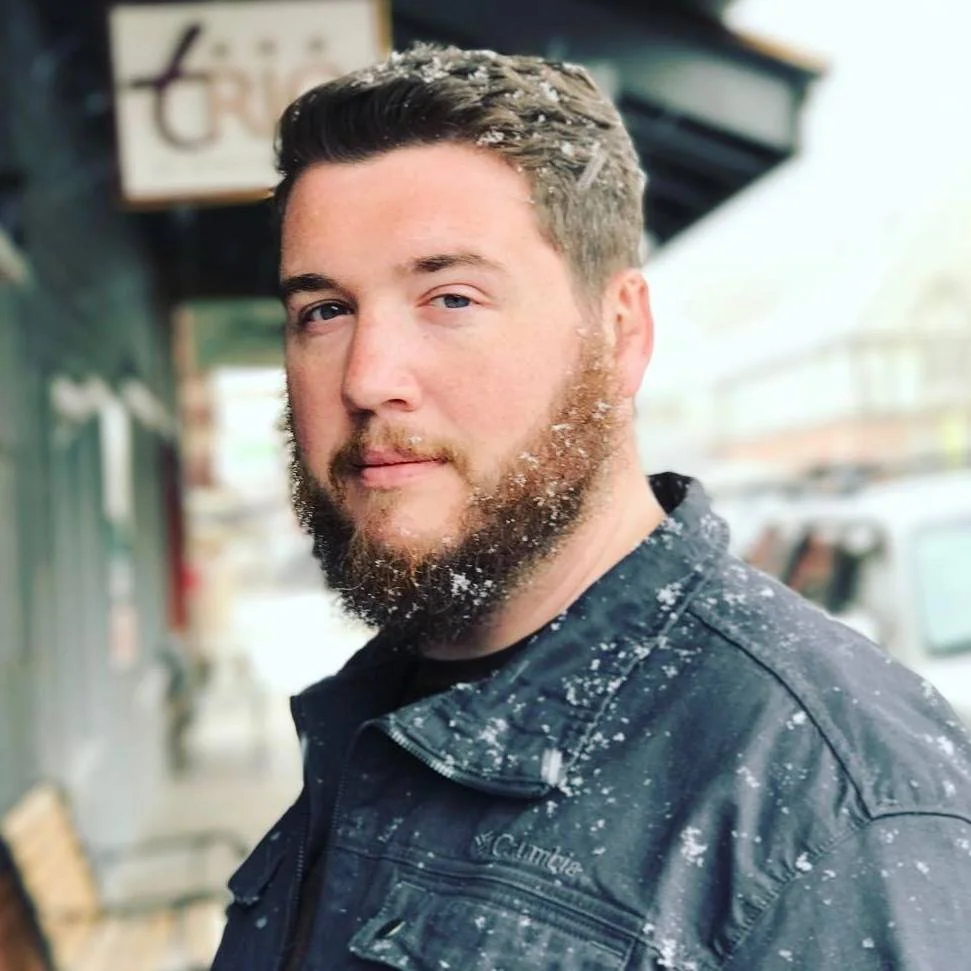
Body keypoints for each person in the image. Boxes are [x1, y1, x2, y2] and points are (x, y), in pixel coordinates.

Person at [212, 44, 971, 971]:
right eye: (324, 311)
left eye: (450, 297)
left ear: (619, 336)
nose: (369, 378)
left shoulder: (827, 804)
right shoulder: (379, 712)